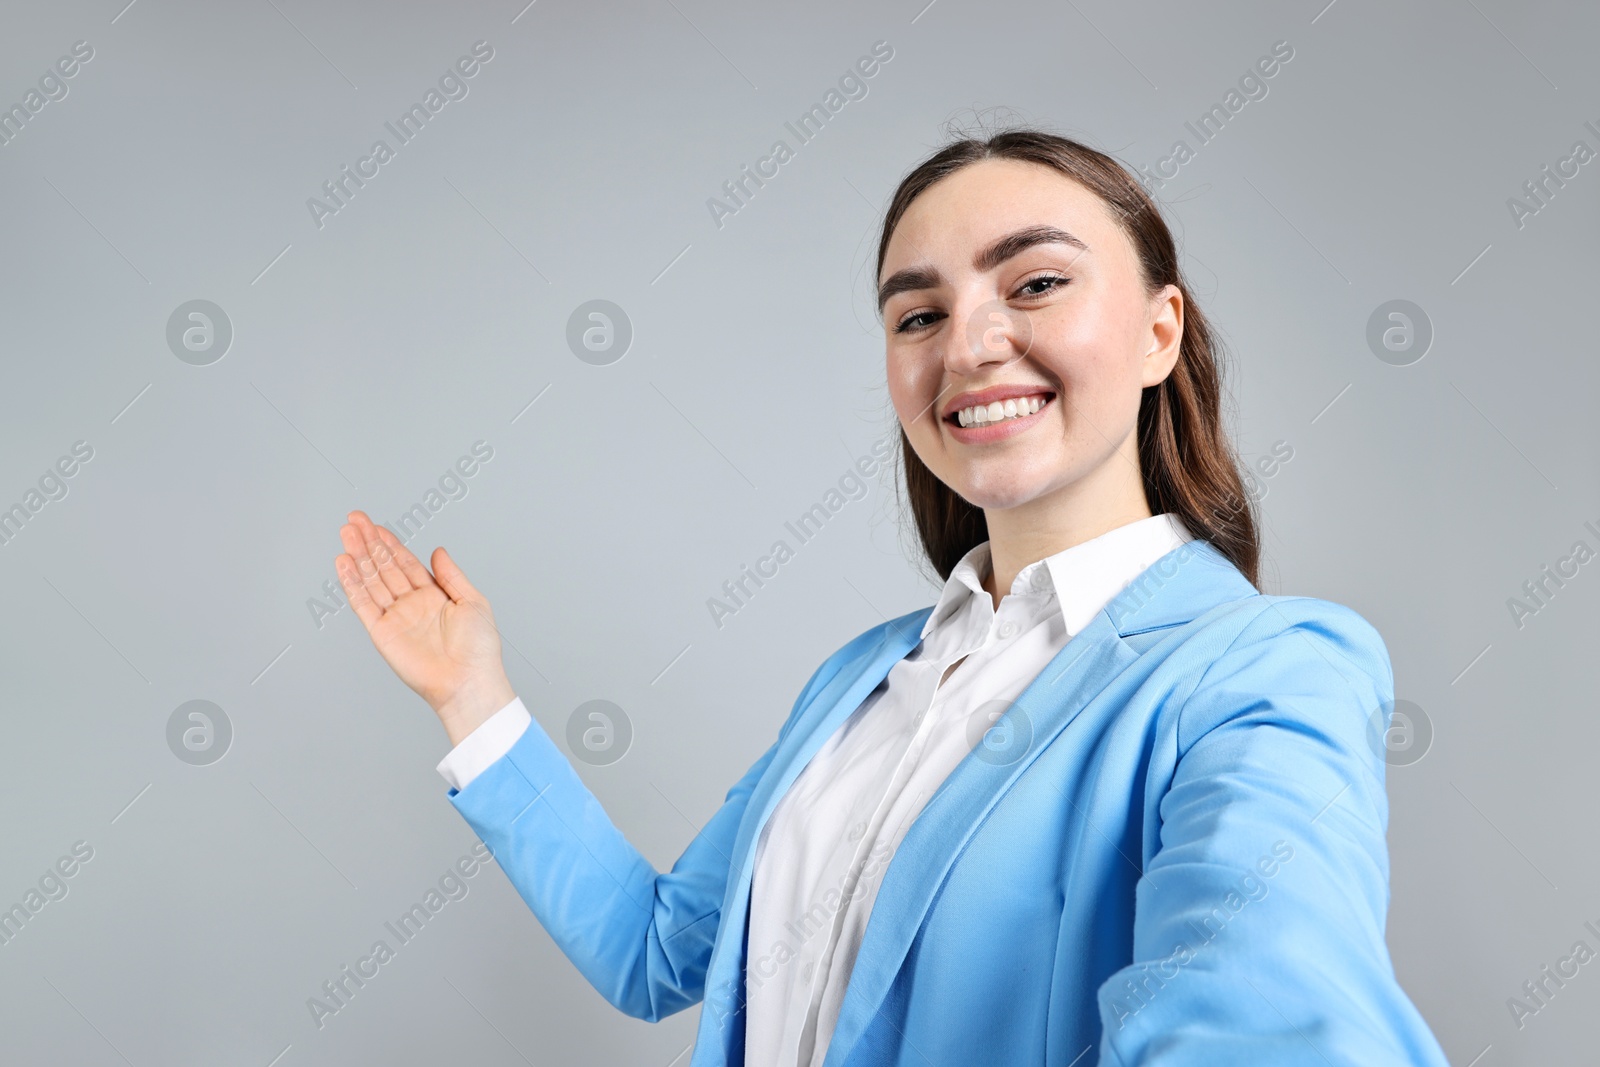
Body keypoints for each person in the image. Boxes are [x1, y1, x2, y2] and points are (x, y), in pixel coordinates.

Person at [335, 127, 1450, 1066]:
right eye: (916, 314)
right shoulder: (859, 679)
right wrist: (473, 697)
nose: (966, 344)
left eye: (1036, 284)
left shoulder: (1263, 665)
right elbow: (657, 949)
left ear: (1161, 330)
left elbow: (1260, 1016)